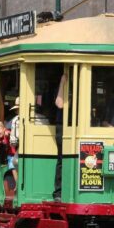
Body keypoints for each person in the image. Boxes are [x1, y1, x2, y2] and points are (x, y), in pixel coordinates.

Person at [0, 120, 17, 193]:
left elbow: (10, 134)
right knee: (10, 164)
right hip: (10, 155)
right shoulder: (1, 137)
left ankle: (17, 183)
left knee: (12, 166)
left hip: (15, 154)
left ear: (4, 128)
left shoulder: (6, 133)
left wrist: (8, 133)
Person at [53, 73, 66, 202]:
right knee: (62, 159)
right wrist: (62, 83)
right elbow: (60, 103)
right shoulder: (61, 90)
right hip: (62, 126)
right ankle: (58, 192)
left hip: (77, 127)